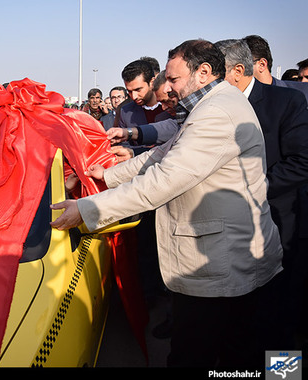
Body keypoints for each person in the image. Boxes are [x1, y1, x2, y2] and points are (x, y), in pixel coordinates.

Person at [50, 39, 283, 368]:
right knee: (224, 352)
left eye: (173, 79)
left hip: (222, 266)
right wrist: (107, 174)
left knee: (216, 356)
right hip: (218, 262)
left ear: (203, 72)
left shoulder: (216, 112)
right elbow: (161, 155)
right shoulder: (206, 106)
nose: (168, 87)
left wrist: (87, 210)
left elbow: (162, 181)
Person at [216, 38, 308, 349]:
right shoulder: (214, 107)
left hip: (276, 221)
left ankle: (282, 371)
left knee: (277, 316)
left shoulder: (286, 103)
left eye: (218, 73)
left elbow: (302, 162)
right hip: (227, 226)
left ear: (238, 71)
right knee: (238, 319)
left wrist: (255, 188)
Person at [114, 59, 172, 149]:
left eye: (138, 90)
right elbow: (123, 146)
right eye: (129, 91)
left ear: (152, 82)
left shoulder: (172, 106)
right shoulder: (126, 112)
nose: (134, 96)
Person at [243, 35, 308, 101]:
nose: (238, 72)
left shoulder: (301, 94)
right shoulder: (240, 100)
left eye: (243, 66)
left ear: (262, 64)